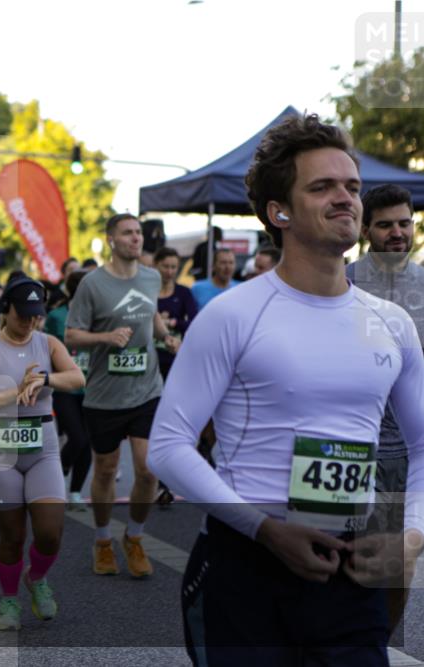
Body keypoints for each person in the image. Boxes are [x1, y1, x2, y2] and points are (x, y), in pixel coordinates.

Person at [148, 114, 424, 666]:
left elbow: (422, 448)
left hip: (350, 568)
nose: (345, 198)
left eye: (351, 186)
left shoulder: (392, 322)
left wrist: (410, 537)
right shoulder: (233, 315)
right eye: (321, 187)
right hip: (246, 567)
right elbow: (169, 445)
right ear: (280, 212)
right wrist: (267, 530)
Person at [65, 213, 178, 578]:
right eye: (128, 233)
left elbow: (151, 317)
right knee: (106, 469)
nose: (136, 239)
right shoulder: (92, 284)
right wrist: (105, 339)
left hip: (147, 389)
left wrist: (166, 337)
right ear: (111, 239)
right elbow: (72, 335)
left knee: (148, 469)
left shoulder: (150, 276)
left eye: (139, 233)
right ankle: (101, 540)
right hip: (104, 395)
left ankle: (134, 536)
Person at [0, 274, 84, 630]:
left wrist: (45, 380)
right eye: (23, 315)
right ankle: (8, 600)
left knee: (50, 532)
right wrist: (15, 389)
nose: (30, 322)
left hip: (43, 447)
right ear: (5, 310)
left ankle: (36, 577)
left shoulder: (48, 344)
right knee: (13, 536)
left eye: (36, 315)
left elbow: (78, 379)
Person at [345, 183, 423, 635]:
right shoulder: (344, 280)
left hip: (407, 456)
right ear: (366, 229)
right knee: (340, 561)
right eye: (385, 224)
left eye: (404, 223)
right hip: (351, 447)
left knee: (399, 568)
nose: (397, 232)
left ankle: (374, 647)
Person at [45, 270, 93, 510]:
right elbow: (48, 351)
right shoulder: (56, 316)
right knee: (77, 437)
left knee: (88, 442)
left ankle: (75, 493)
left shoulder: (98, 315)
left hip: (92, 387)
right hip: (64, 386)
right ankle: (59, 470)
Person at [154, 247, 197, 380]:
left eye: (174, 267)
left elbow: (194, 323)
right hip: (150, 357)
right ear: (156, 265)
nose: (169, 271)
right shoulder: (147, 292)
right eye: (165, 266)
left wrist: (173, 322)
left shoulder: (183, 292)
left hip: (174, 356)